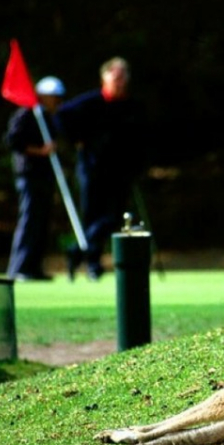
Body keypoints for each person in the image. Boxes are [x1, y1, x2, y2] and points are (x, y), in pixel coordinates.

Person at [56, 57, 145, 280]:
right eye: (115, 77)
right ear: (104, 77)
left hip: (120, 171)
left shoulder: (131, 105)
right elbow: (61, 116)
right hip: (92, 169)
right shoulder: (90, 102)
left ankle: (77, 252)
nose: (120, 81)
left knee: (113, 219)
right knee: (92, 216)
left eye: (123, 77)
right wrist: (77, 139)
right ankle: (92, 263)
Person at [5, 76, 66, 281]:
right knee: (29, 221)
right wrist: (40, 151)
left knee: (42, 222)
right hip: (29, 175)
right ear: (43, 96)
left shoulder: (49, 117)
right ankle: (19, 268)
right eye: (54, 97)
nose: (57, 101)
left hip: (45, 175)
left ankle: (34, 268)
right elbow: (13, 141)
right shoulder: (26, 114)